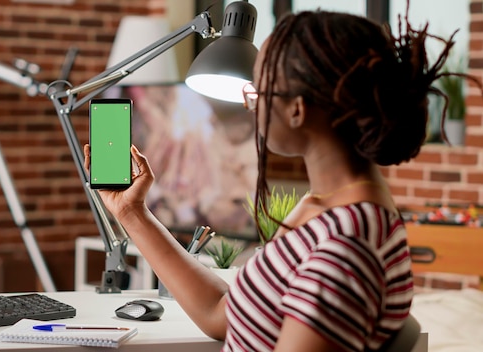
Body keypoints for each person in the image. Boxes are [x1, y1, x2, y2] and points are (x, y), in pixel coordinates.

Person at [83, 6, 479, 352]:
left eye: (257, 89)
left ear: (297, 111)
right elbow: (223, 314)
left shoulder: (344, 247)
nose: (248, 104)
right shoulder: (323, 209)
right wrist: (132, 212)